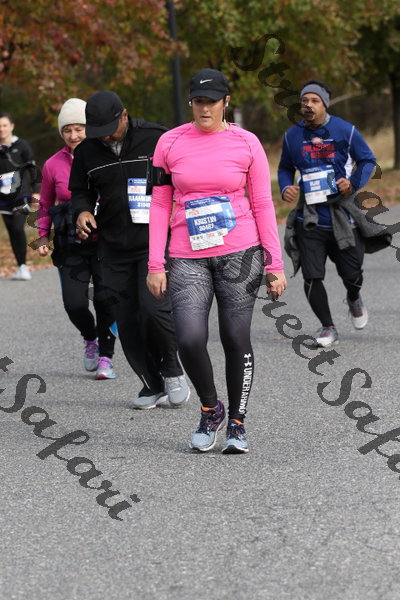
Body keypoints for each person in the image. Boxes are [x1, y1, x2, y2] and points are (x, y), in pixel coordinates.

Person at [147, 68, 286, 454]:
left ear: (226, 102)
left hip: (241, 253)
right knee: (189, 339)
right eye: (198, 101)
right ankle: (211, 409)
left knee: (235, 337)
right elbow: (159, 203)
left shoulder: (247, 143)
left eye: (211, 101)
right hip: (186, 256)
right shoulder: (169, 143)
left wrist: (274, 264)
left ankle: (237, 423)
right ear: (190, 102)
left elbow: (263, 203)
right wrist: (155, 264)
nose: (204, 108)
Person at [70, 90, 189, 407]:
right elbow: (79, 191)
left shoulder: (156, 137)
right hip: (112, 247)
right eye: (98, 132)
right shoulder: (87, 152)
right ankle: (151, 383)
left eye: (110, 129)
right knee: (127, 320)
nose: (105, 137)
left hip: (154, 242)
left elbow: (183, 176)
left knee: (153, 310)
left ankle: (172, 369)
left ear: (124, 115)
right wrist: (82, 211)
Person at [279, 80, 389, 348]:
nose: (308, 105)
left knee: (352, 275)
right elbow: (284, 167)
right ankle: (328, 327)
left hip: (343, 216)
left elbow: (367, 160)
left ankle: (353, 297)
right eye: (304, 101)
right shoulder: (292, 136)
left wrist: (352, 183)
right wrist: (285, 187)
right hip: (310, 218)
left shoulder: (344, 130)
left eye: (314, 101)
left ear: (325, 104)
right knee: (311, 275)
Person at [37, 98, 117, 379]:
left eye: (79, 128)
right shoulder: (52, 165)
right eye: (67, 130)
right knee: (75, 303)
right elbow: (45, 204)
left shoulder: (105, 156)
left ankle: (106, 356)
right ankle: (90, 336)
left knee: (106, 299)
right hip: (70, 243)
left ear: (89, 128)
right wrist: (42, 237)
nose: (73, 135)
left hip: (105, 241)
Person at [0, 112, 40, 280]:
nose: (2, 129)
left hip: (21, 195)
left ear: (11, 126)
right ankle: (20, 266)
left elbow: (33, 168)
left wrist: (36, 190)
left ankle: (24, 267)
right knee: (12, 231)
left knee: (17, 228)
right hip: (3, 198)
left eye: (4, 125)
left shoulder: (21, 145)